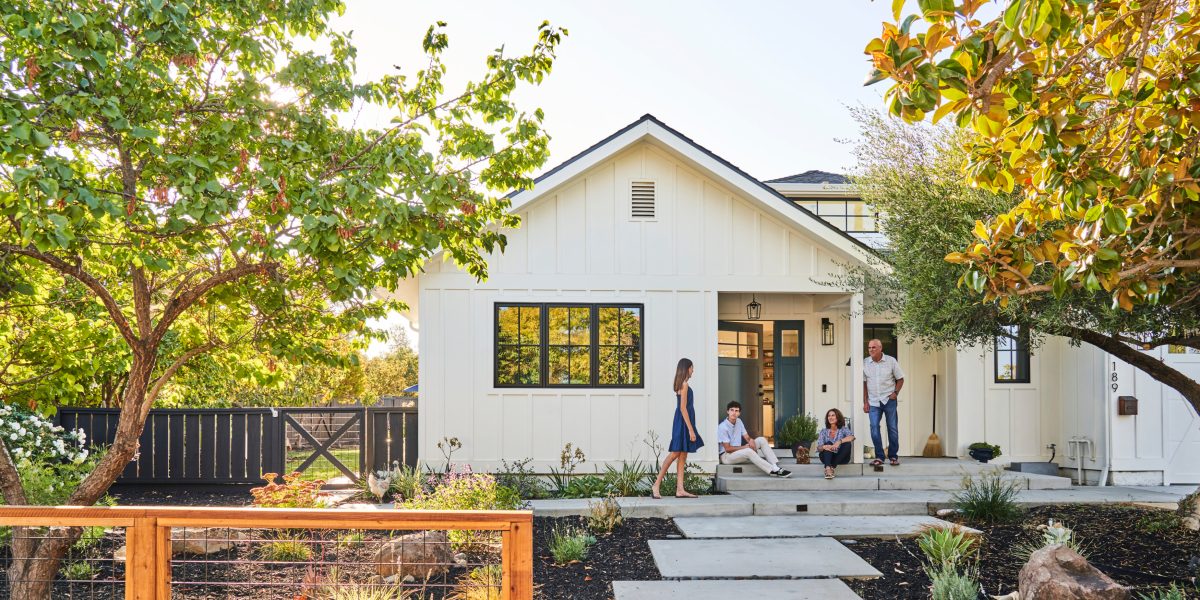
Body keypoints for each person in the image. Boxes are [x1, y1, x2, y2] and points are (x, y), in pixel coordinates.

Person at [652, 358, 704, 499]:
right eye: (692, 367)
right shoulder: (684, 384)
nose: (693, 370)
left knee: (683, 454)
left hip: (683, 421)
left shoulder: (682, 384)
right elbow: (683, 408)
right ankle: (656, 484)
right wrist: (691, 429)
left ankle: (680, 489)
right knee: (675, 453)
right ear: (687, 368)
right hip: (682, 422)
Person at [717, 401, 791, 478]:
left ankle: (774, 464)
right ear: (727, 411)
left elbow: (747, 437)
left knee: (761, 440)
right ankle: (773, 470)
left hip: (738, 452)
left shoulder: (739, 421)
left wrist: (751, 441)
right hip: (727, 457)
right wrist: (745, 447)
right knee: (748, 451)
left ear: (739, 413)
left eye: (736, 411)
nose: (734, 413)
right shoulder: (722, 427)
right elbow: (728, 449)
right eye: (732, 410)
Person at [863, 338, 905, 467]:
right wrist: (865, 401)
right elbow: (864, 383)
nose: (871, 350)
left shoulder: (891, 361)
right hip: (874, 401)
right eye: (869, 347)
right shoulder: (865, 363)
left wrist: (895, 393)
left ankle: (893, 456)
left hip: (889, 400)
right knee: (874, 428)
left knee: (892, 428)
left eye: (874, 347)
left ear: (880, 348)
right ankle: (880, 456)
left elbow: (900, 379)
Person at [817, 408, 855, 479]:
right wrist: (824, 447)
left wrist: (839, 442)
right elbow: (819, 448)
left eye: (833, 415)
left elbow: (852, 437)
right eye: (829, 416)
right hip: (827, 458)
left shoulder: (843, 429)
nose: (830, 417)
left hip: (841, 458)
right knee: (828, 443)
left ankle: (832, 467)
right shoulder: (823, 431)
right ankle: (828, 469)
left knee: (847, 444)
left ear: (838, 417)